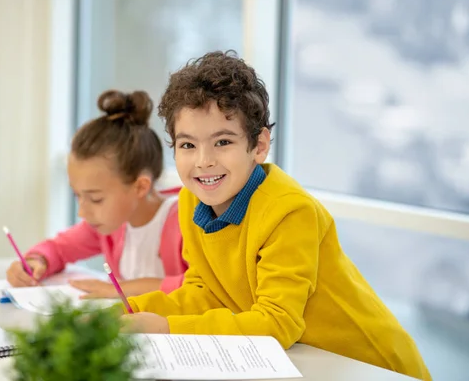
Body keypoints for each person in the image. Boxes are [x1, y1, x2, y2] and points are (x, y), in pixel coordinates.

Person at [120, 51, 431, 380]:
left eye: (222, 141)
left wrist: (168, 327)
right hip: (305, 362)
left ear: (259, 145)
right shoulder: (191, 200)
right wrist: (132, 311)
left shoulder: (289, 211)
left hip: (370, 366)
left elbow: (278, 321)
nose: (203, 161)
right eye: (187, 145)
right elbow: (205, 292)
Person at [6, 89, 186, 298]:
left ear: (140, 187)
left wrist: (117, 290)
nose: (82, 212)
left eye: (96, 199)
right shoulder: (111, 225)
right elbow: (59, 248)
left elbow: (201, 287)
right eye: (77, 196)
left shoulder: (186, 221)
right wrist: (36, 261)